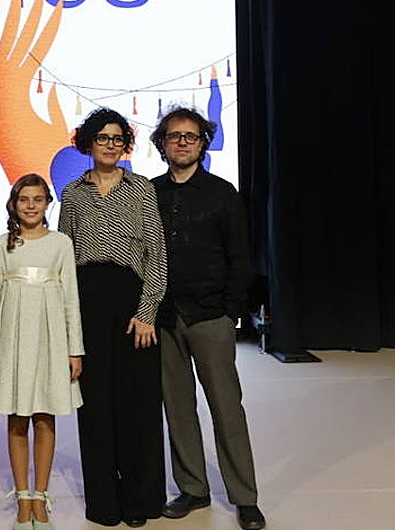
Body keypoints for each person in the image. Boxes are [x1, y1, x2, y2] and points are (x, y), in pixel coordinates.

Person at [148, 106, 265, 530]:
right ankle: (193, 489)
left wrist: (231, 311)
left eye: (191, 136)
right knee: (177, 408)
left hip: (211, 315)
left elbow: (240, 256)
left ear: (202, 144)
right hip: (164, 317)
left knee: (226, 408)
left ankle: (245, 498)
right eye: (174, 136)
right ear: (162, 144)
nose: (182, 142)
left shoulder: (222, 193)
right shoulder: (149, 192)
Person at [57, 107, 167, 527]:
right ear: (89, 142)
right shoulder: (72, 194)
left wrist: (147, 312)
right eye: (102, 138)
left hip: (131, 305)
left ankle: (140, 500)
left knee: (136, 404)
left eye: (117, 139)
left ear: (126, 145)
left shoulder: (141, 188)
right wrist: (69, 325)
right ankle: (103, 500)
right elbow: (64, 258)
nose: (110, 145)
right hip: (87, 303)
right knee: (95, 405)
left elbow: (157, 254)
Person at [0, 174, 84, 530]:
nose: (30, 205)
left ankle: (40, 496)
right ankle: (23, 496)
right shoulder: (2, 245)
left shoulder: (61, 244)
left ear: (47, 204)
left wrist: (75, 349)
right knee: (17, 417)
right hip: (13, 341)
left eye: (37, 199)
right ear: (13, 204)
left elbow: (71, 298)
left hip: (50, 340)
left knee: (44, 416)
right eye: (24, 199)